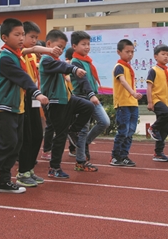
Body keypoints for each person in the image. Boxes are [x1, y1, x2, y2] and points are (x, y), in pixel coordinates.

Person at [0, 18, 48, 195]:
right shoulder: (6, 57)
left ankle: (4, 180)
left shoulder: (18, 55)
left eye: (23, 34)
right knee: (8, 142)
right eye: (17, 35)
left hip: (17, 106)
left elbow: (32, 53)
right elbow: (21, 77)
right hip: (4, 105)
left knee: (16, 145)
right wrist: (37, 93)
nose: (21, 38)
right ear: (4, 37)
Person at [38, 30, 94, 179]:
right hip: (55, 102)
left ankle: (73, 130)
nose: (61, 50)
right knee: (60, 135)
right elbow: (63, 67)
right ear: (48, 44)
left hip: (67, 99)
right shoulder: (46, 60)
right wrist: (74, 69)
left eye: (63, 48)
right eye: (59, 46)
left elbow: (63, 66)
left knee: (88, 106)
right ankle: (54, 167)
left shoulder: (56, 60)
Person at [16, 21, 57, 187]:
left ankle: (29, 168)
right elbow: (28, 50)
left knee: (37, 134)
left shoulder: (32, 57)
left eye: (36, 38)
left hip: (34, 98)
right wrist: (48, 50)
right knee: (26, 137)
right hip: (23, 99)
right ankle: (22, 172)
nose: (34, 40)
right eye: (31, 37)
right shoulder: (19, 53)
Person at [70, 31, 108, 172]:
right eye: (83, 44)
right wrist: (91, 95)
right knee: (83, 129)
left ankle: (84, 143)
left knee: (104, 122)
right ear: (74, 46)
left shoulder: (87, 60)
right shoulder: (76, 62)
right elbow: (83, 81)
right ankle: (80, 161)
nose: (87, 47)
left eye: (88, 44)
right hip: (82, 98)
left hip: (91, 96)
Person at [110, 39, 142, 167]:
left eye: (132, 52)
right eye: (127, 51)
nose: (130, 54)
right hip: (123, 104)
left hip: (133, 103)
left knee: (130, 131)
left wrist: (134, 96)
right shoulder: (119, 67)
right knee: (123, 131)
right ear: (119, 52)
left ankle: (124, 156)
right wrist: (133, 93)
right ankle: (115, 156)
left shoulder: (129, 68)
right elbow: (123, 81)